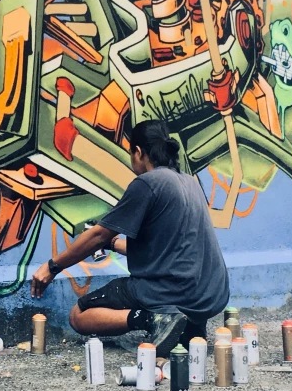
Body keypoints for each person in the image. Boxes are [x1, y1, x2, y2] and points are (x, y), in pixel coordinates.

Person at [31, 119, 229, 357]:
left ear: (138, 152)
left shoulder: (148, 183)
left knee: (78, 316)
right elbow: (164, 248)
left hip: (171, 291)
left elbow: (98, 234)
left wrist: (53, 266)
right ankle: (185, 325)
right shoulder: (189, 183)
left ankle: (153, 319)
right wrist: (113, 244)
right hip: (207, 295)